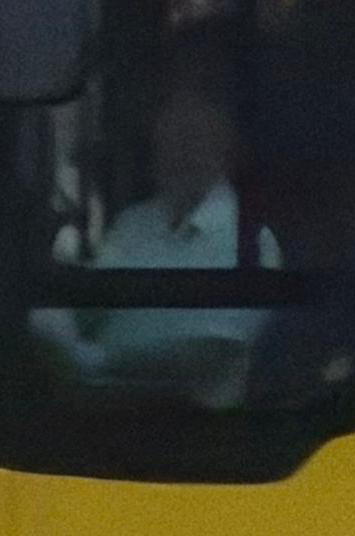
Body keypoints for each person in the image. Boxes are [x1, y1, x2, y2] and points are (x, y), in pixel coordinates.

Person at [39, 72, 281, 402]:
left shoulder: (252, 241)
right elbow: (90, 310)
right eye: (168, 138)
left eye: (192, 139)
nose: (177, 153)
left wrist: (99, 361)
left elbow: (213, 350)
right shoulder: (133, 223)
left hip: (196, 435)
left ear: (225, 147)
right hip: (94, 416)